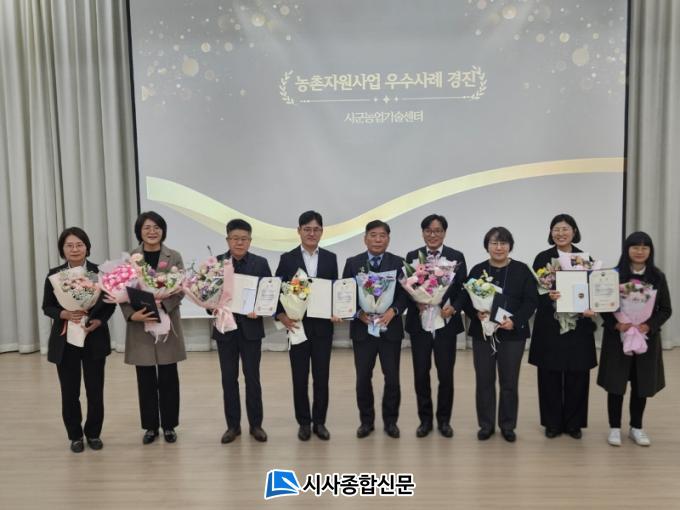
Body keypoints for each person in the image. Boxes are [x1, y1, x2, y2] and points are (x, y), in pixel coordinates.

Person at [42, 227, 116, 453]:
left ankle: (93, 433)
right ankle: (75, 436)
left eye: (79, 245)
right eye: (69, 245)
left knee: (95, 390)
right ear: (62, 250)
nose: (74, 249)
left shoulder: (99, 272)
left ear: (87, 247)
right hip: (65, 340)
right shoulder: (55, 275)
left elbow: (109, 304)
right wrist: (63, 313)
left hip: (93, 337)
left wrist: (99, 321)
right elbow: (47, 306)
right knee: (69, 392)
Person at [597, 231, 672, 447]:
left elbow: (665, 309)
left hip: (645, 338)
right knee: (616, 384)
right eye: (635, 247)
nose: (640, 251)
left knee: (641, 384)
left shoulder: (657, 277)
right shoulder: (613, 275)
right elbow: (603, 305)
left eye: (644, 247)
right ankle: (614, 428)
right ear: (627, 249)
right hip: (618, 338)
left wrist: (649, 325)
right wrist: (616, 324)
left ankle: (636, 427)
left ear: (650, 251)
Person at [463, 227, 537, 442]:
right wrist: (476, 314)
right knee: (484, 380)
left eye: (503, 243)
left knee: (509, 382)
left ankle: (507, 425)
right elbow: (466, 299)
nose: (498, 247)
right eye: (494, 243)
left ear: (510, 246)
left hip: (512, 334)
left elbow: (531, 301)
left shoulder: (522, 270)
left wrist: (515, 321)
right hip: (483, 334)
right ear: (487, 246)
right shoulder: (478, 269)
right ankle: (486, 425)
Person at [528, 214, 597, 439]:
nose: (561, 233)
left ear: (574, 231)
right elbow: (534, 293)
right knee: (549, 374)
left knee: (578, 374)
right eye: (556, 229)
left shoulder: (584, 259)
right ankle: (552, 423)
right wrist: (548, 296)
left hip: (578, 326)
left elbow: (592, 290)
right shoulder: (542, 258)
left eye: (565, 229)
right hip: (551, 325)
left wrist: (591, 306)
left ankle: (574, 424)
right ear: (551, 233)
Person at [120, 211, 186, 445]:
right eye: (146, 227)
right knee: (145, 379)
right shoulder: (130, 258)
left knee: (169, 378)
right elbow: (120, 290)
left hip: (167, 323)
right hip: (141, 325)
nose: (152, 231)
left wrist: (163, 305)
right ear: (139, 231)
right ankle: (150, 427)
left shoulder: (174, 256)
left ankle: (169, 426)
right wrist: (132, 315)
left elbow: (180, 289)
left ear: (163, 231)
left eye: (156, 227)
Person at [342, 220, 409, 439]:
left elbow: (405, 294)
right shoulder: (353, 263)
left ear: (388, 239)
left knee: (392, 378)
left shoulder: (398, 262)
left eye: (382, 235)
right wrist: (358, 313)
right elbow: (345, 293)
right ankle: (366, 421)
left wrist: (393, 311)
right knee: (363, 378)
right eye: (373, 235)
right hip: (363, 331)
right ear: (365, 238)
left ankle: (391, 422)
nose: (378, 239)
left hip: (390, 328)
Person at [275, 211, 339, 441]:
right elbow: (276, 290)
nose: (312, 233)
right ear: (299, 231)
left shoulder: (330, 258)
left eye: (316, 229)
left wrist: (338, 310)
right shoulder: (287, 258)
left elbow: (335, 290)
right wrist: (281, 316)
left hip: (323, 328)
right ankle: (303, 422)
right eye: (307, 229)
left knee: (322, 377)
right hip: (297, 327)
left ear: (322, 231)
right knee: (299, 377)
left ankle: (319, 422)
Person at [404, 214, 467, 438]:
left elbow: (463, 289)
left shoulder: (455, 257)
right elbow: (406, 288)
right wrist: (416, 302)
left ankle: (444, 421)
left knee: (445, 375)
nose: (433, 235)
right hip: (420, 325)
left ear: (444, 233)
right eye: (428, 231)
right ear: (423, 233)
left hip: (445, 323)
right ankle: (425, 420)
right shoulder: (412, 257)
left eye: (437, 230)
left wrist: (454, 308)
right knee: (421, 374)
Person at [213, 219, 272, 444]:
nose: (239, 242)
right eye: (235, 238)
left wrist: (261, 309)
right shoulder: (217, 263)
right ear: (228, 239)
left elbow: (269, 294)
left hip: (251, 329)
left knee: (252, 378)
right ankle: (233, 426)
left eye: (244, 239)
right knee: (229, 379)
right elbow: (208, 297)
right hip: (225, 329)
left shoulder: (260, 263)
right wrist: (213, 305)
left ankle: (256, 425)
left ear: (250, 240)